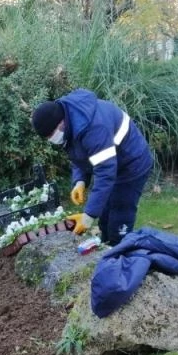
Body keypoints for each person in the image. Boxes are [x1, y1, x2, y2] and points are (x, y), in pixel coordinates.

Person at [31, 89, 153, 246]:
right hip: (114, 162)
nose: (50, 140)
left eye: (50, 136)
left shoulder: (94, 128)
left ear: (60, 124)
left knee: (120, 211)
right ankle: (106, 243)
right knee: (105, 210)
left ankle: (119, 249)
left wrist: (88, 216)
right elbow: (78, 153)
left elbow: (105, 172)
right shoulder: (69, 119)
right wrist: (80, 181)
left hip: (132, 163)